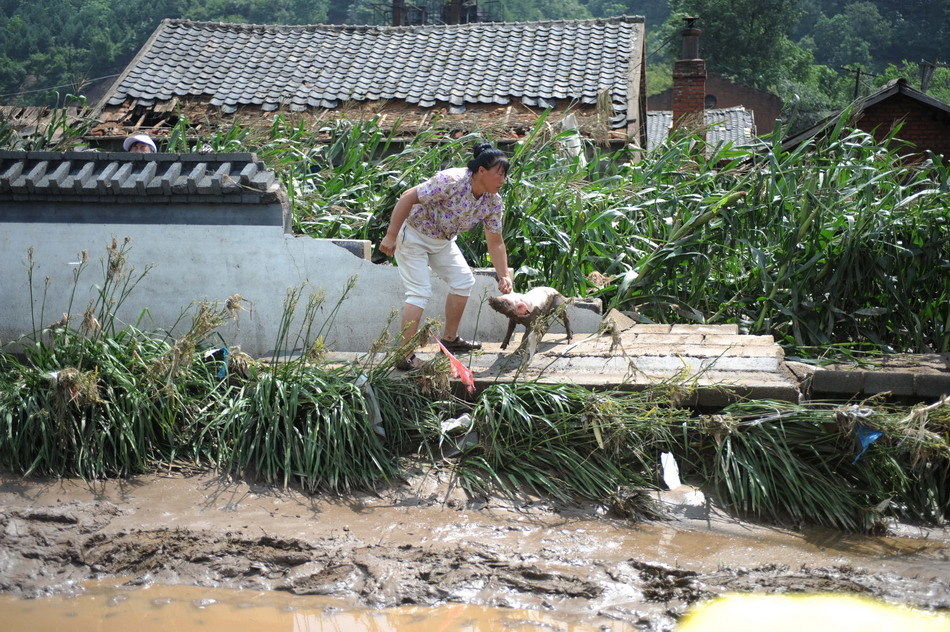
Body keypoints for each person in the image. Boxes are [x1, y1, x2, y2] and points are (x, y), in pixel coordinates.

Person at [379, 143, 513, 370]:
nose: (503, 180)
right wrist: (391, 236)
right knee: (419, 291)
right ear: (481, 171)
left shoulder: (493, 201)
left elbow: (495, 240)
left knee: (463, 282)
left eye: (505, 176)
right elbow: (407, 197)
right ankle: (404, 355)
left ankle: (450, 340)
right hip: (413, 235)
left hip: (443, 241)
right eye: (499, 174)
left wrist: (504, 275)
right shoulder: (451, 181)